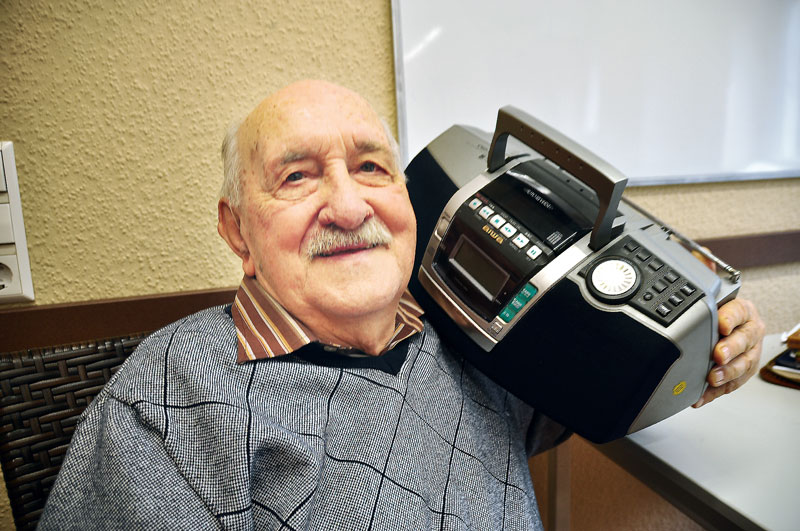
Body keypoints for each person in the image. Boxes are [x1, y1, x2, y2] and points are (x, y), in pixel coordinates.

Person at [39, 80, 765, 530]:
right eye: (296, 176)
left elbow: (601, 389)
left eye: (370, 167)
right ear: (238, 230)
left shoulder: (469, 336)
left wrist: (719, 348)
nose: (349, 205)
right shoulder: (164, 398)